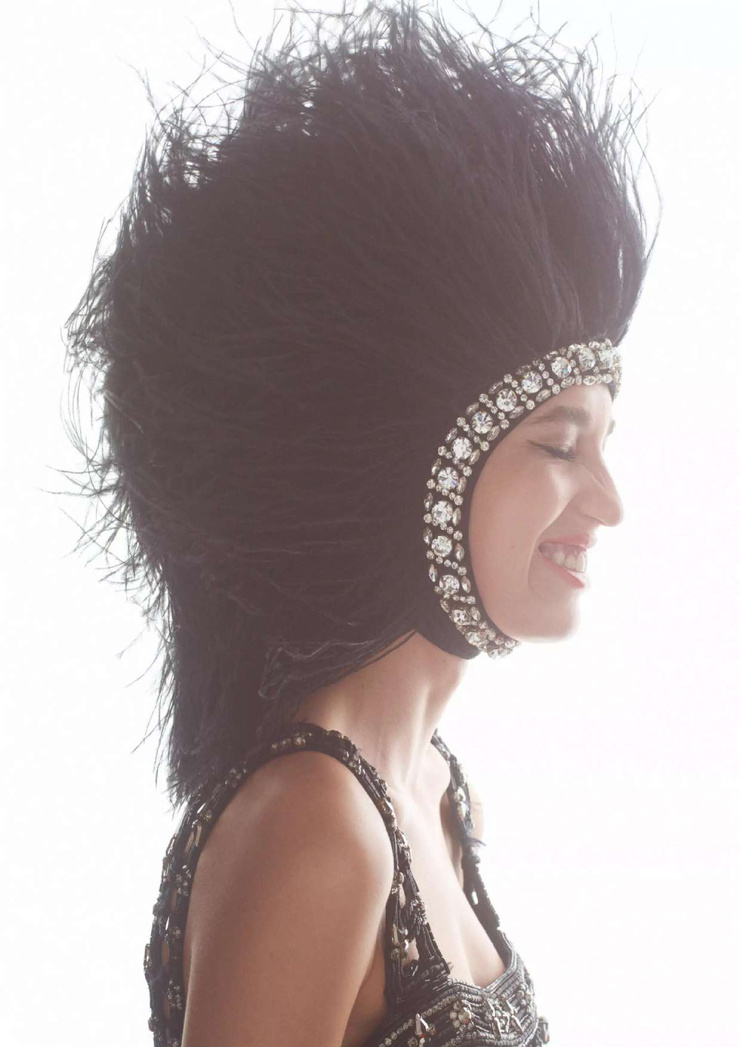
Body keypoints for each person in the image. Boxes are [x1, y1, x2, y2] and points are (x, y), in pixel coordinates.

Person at [62, 1, 657, 1044]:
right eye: (559, 447)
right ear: (416, 466)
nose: (608, 501)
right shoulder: (317, 819)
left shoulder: (434, 785)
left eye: (606, 444)